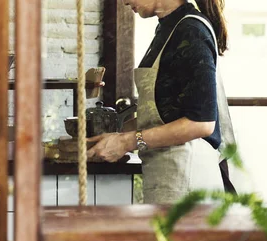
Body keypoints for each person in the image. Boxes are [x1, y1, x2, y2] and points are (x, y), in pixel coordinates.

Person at [86, 0, 236, 203]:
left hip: (187, 181)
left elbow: (201, 123)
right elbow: (164, 111)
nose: (124, 1)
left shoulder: (191, 31)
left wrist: (127, 142)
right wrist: (117, 135)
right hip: (169, 176)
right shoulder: (168, 27)